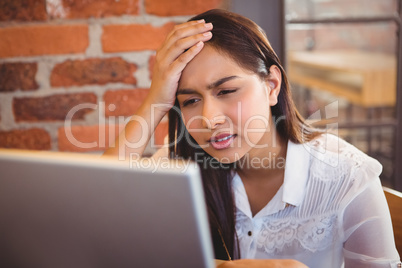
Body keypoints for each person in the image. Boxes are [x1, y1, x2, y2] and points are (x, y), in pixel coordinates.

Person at [104, 9, 401, 268]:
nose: (209, 119)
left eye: (226, 91)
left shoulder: (347, 176)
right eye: (190, 100)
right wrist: (156, 97)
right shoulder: (179, 167)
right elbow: (97, 219)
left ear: (271, 86)